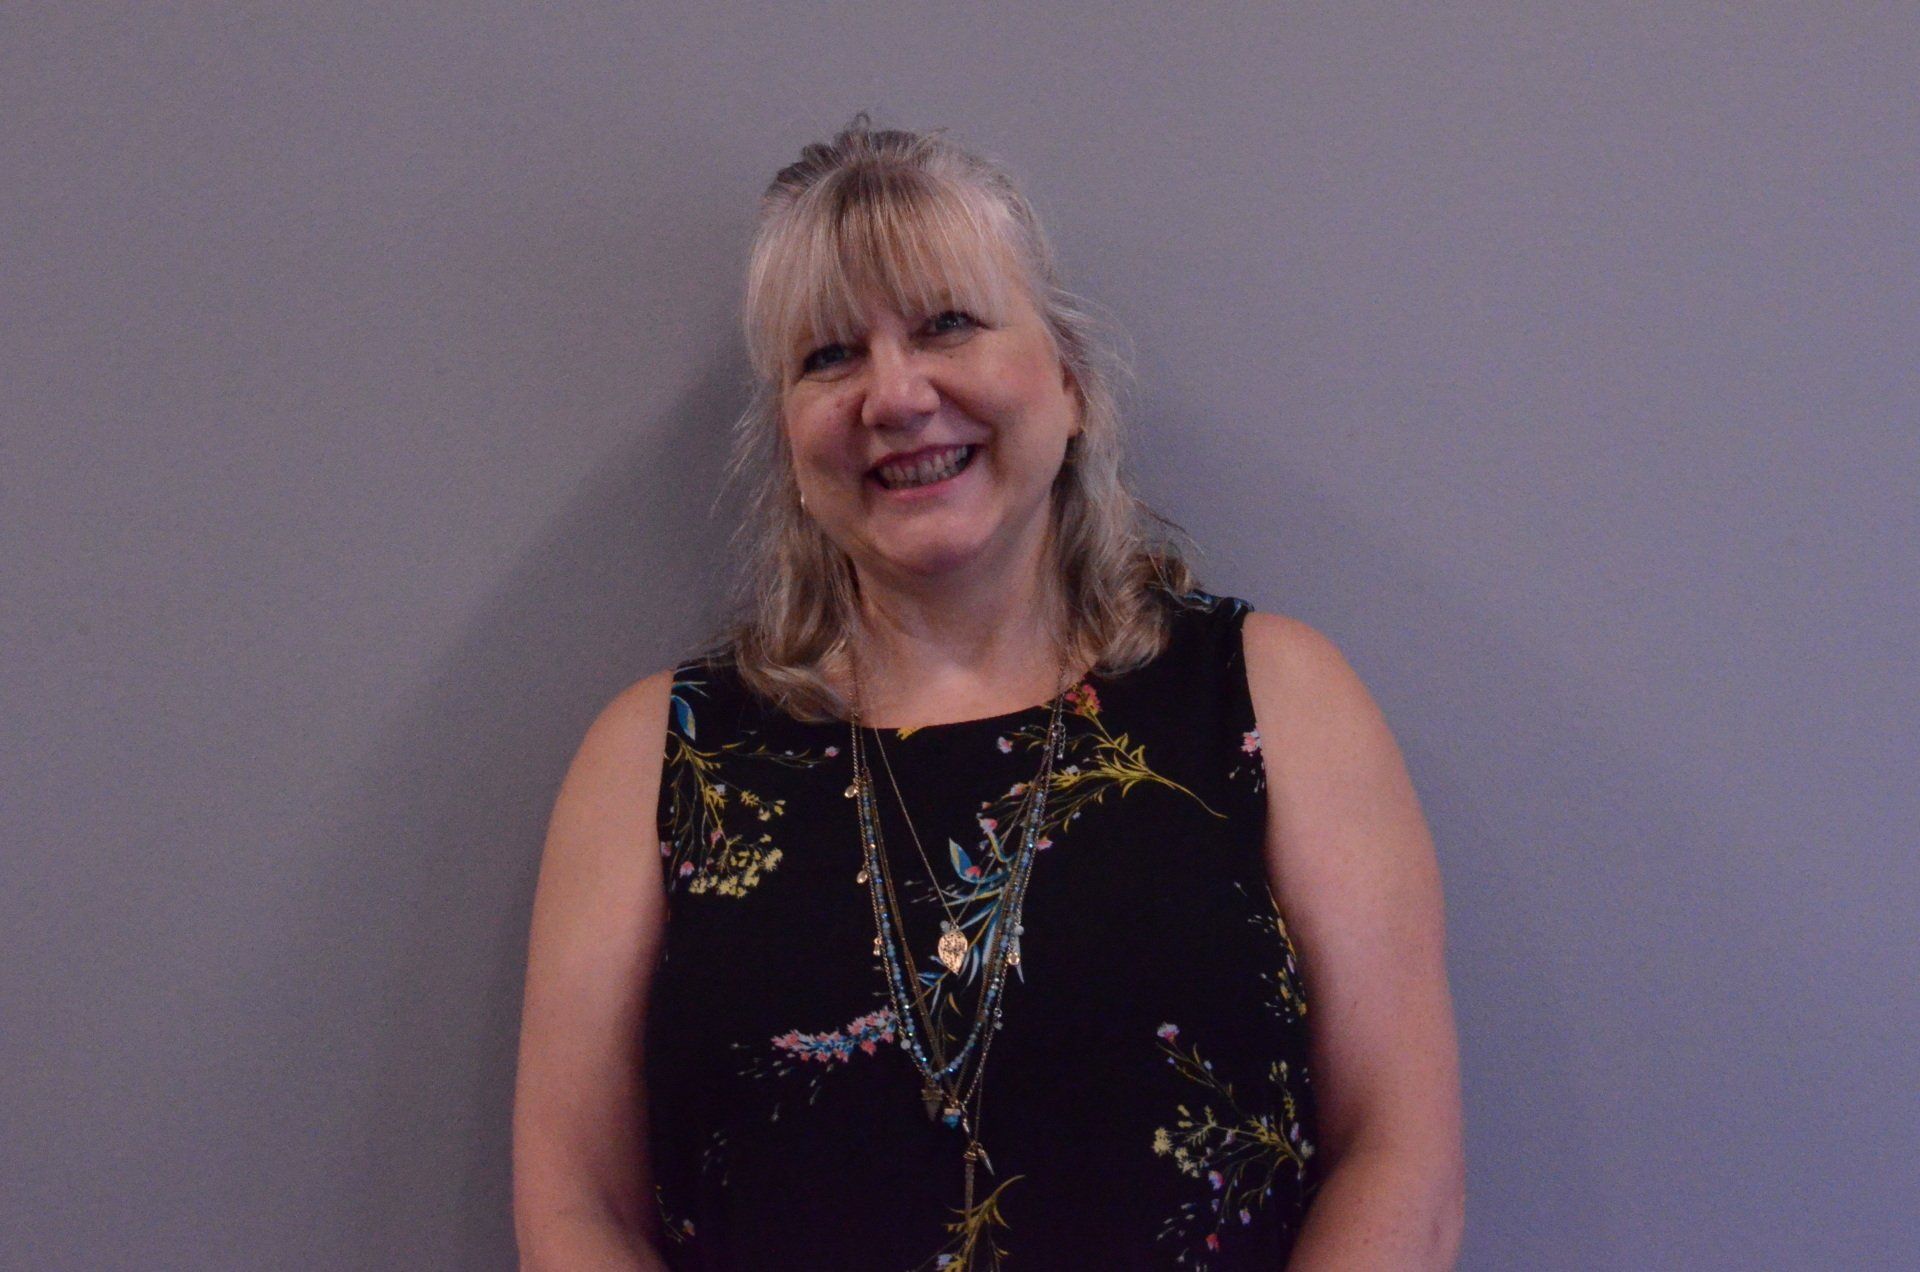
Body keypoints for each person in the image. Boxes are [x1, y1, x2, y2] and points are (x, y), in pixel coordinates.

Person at [512, 114, 1465, 1270]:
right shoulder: (656, 760)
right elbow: (575, 1208)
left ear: (1068, 382)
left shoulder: (1274, 701)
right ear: (791, 445)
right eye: (830, 357)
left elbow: (1397, 1152)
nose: (894, 395)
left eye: (946, 325)